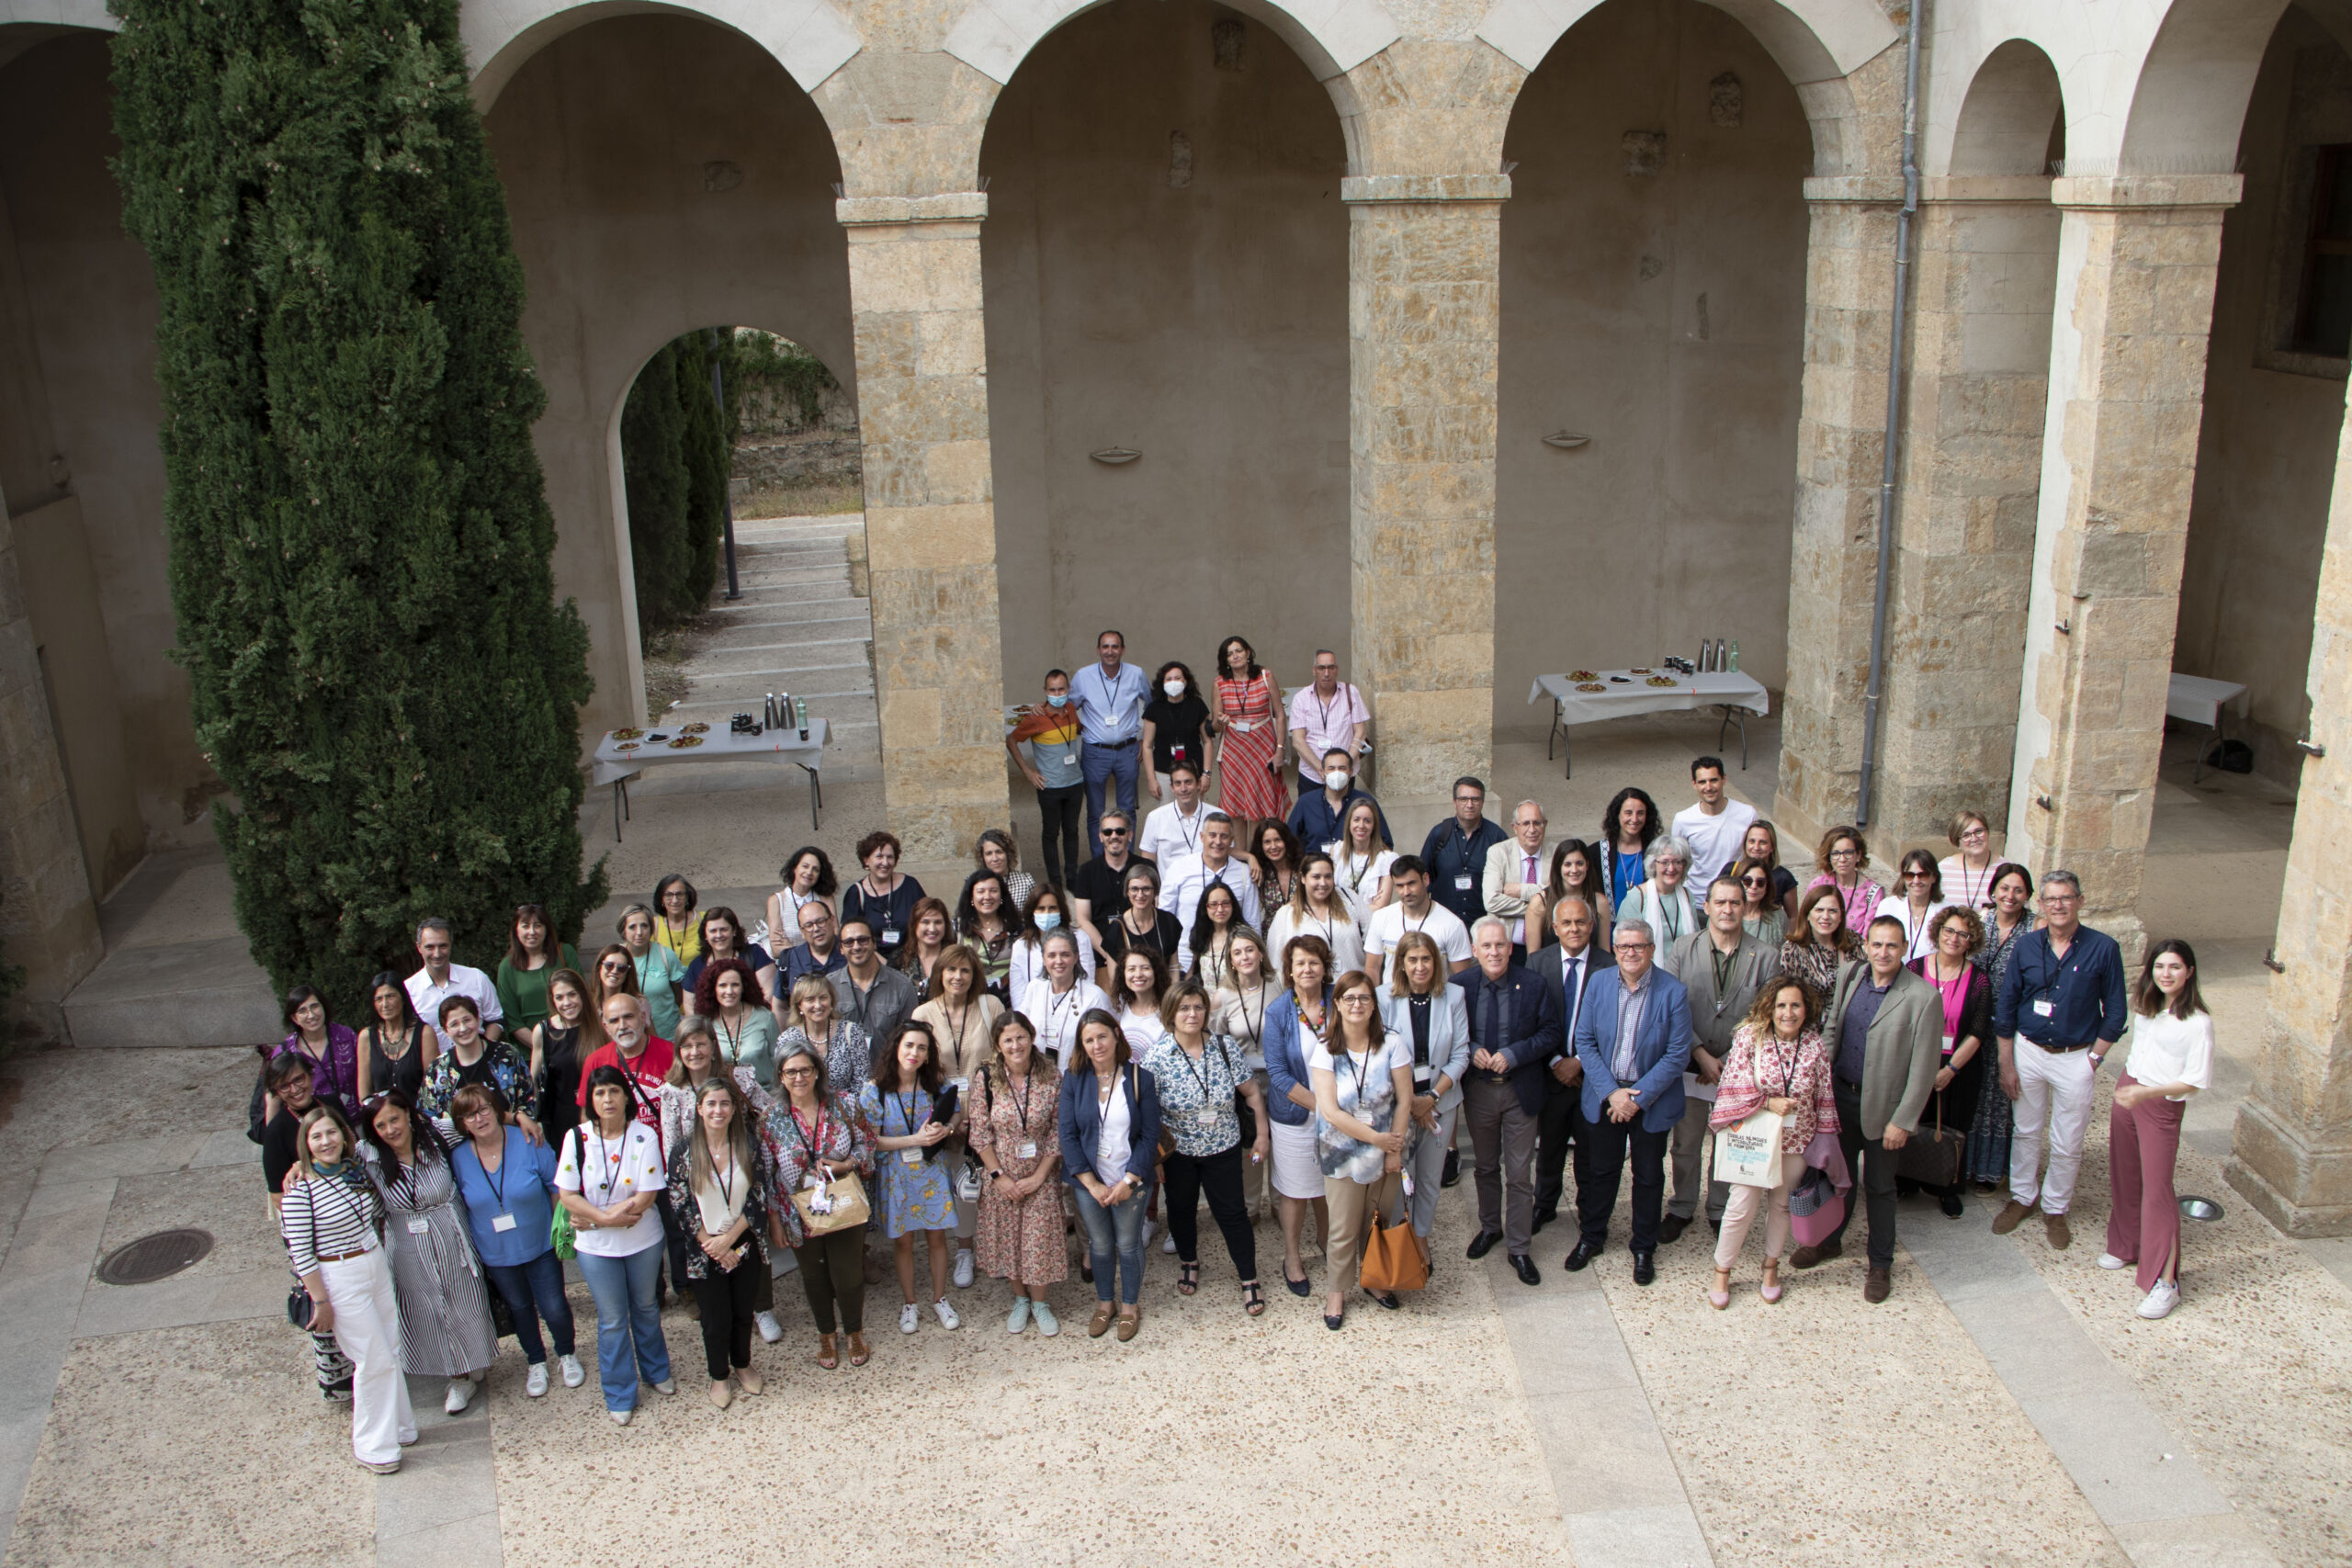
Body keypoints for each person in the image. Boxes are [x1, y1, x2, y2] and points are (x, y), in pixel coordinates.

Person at [1793, 917, 1942, 1302]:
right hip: (1841, 1098)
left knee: (1879, 1187)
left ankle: (1880, 1264)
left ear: (1905, 947)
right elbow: (1832, 1030)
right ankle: (1828, 1240)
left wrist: (1903, 1121)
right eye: (1876, 945)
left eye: (1892, 946)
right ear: (1867, 946)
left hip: (1884, 1110)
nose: (1883, 953)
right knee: (1835, 1177)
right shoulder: (1851, 974)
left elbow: (1925, 1068)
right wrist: (1818, 1078)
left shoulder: (1924, 997)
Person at [1991, 870, 2128, 1250]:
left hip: (2076, 1056)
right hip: (2030, 1049)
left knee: (2068, 1139)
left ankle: (2055, 1207)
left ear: (2080, 901)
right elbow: (2007, 1004)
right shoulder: (2027, 946)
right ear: (2042, 905)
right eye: (2051, 900)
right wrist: (2007, 1061)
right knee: (2026, 1130)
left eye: (2066, 898)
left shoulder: (2104, 948)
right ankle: (2022, 1197)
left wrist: (2095, 1060)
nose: (2059, 906)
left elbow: (2116, 1011)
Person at [281, 1106, 413, 1471]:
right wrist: (320, 1300)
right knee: (373, 1359)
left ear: (343, 1135)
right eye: (316, 1136)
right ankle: (372, 1445)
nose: (326, 1142)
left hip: (373, 1260)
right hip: (337, 1274)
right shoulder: (299, 1191)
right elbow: (301, 1253)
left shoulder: (354, 1171)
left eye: (331, 1133)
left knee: (392, 1346)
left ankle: (400, 1426)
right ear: (305, 1144)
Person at [1568, 919, 1692, 1285]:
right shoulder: (1599, 983)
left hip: (1650, 1100)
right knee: (1601, 1172)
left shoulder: (1674, 992)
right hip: (1608, 1095)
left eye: (1638, 946)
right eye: (1623, 947)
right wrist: (1613, 1093)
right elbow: (1585, 1042)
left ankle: (1643, 1247)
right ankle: (1592, 1236)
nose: (1631, 953)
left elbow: (1677, 1054)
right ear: (1615, 950)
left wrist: (1636, 1099)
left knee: (1649, 1176)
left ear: (1652, 950)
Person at [359, 1090, 497, 1415]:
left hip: (450, 1230)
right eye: (381, 1125)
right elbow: (329, 1157)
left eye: (395, 1119)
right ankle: (457, 1377)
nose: (391, 1129)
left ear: (407, 1114)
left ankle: (473, 1358)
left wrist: (518, 1118)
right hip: (406, 1240)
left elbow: (478, 1122)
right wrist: (300, 1166)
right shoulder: (367, 1155)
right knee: (428, 1309)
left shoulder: (436, 1134)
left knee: (465, 1299)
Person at [1706, 976, 1838, 1306]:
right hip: (1754, 1140)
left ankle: (1771, 1268)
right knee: (1741, 1205)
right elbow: (1731, 1085)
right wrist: (1767, 1103)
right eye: (1781, 1005)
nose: (1788, 1012)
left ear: (1806, 1009)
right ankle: (1722, 1271)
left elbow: (1824, 1097)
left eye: (1795, 1005)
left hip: (1796, 1142)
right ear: (1770, 1007)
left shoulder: (1814, 1045)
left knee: (1781, 1206)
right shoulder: (1752, 1037)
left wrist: (1824, 1145)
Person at [1660, 877, 1777, 1243]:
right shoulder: (1682, 948)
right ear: (1706, 906)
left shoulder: (1767, 955)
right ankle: (1682, 1205)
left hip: (1737, 1066)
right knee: (1686, 1141)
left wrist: (1726, 1058)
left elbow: (1764, 1014)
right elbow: (1672, 1005)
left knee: (1728, 1140)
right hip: (1690, 1063)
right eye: (1720, 902)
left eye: (1735, 903)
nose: (1727, 910)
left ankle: (1719, 1208)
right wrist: (1699, 1053)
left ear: (1745, 908)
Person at [556, 1065, 675, 1422]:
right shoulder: (576, 1138)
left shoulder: (643, 1135)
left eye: (613, 1091)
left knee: (646, 1308)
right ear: (591, 1100)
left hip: (643, 1239)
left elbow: (647, 1194)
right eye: (599, 1093)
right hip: (596, 1247)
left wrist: (595, 1216)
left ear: (626, 1096)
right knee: (611, 1319)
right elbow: (567, 1194)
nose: (607, 1099)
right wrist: (604, 1220)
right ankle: (620, 1391)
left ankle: (656, 1371)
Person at [448, 1085, 582, 1398]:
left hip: (539, 1244)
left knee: (554, 1306)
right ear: (462, 1124)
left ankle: (566, 1353)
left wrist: (560, 1232)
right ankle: (535, 1360)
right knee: (520, 1308)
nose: (479, 1118)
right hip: (495, 1252)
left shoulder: (528, 1140)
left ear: (497, 1109)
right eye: (469, 1115)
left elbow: (555, 1186)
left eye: (484, 1109)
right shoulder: (457, 1158)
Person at [1144, 979, 1269, 1314]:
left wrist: (1262, 1135)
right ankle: (1189, 1260)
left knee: (1233, 1214)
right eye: (1184, 1007)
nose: (1192, 1013)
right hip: (1179, 1153)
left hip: (1223, 1147)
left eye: (1198, 1007)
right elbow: (1148, 1114)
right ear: (1171, 1013)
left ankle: (1249, 1277)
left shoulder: (1224, 1048)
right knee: (1181, 1209)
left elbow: (1252, 1093)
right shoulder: (1157, 1058)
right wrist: (1155, 1159)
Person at [2103, 941, 2213, 1320]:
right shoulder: (2148, 1008)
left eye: (2175, 967)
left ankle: (2166, 1282)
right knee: (2125, 1174)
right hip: (2130, 1089)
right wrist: (2127, 1087)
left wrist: (2145, 1093)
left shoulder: (2198, 1022)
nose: (2166, 974)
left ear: (2190, 972)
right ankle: (2125, 1245)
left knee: (2158, 1191)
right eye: (2160, 966)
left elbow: (2194, 1082)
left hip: (2159, 1103)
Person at [1455, 917, 1561, 1286]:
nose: (1494, 952)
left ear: (1510, 947)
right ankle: (1490, 1228)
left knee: (1518, 1174)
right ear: (1474, 951)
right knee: (1484, 1166)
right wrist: (1471, 1050)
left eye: (1500, 945)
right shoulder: (1460, 986)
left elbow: (1550, 1031)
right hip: (1480, 1089)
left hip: (1520, 1089)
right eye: (1486, 946)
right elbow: (1450, 1033)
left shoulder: (1532, 984)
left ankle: (1519, 1247)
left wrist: (1515, 1053)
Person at [1310, 969, 1414, 1327]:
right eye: (1349, 998)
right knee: (1342, 1229)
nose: (1357, 1004)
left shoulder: (1393, 1044)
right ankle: (1336, 1293)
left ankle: (1375, 1280)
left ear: (1374, 1004)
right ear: (1336, 1004)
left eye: (1364, 998)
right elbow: (1331, 1112)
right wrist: (1378, 1140)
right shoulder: (1324, 1049)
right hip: (1341, 1154)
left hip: (1386, 1154)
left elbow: (1404, 1100)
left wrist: (1393, 1149)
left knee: (1377, 1222)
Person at [665, 1077, 776, 1406]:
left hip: (743, 1244)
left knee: (743, 1312)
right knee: (715, 1320)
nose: (718, 1110)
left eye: (725, 1104)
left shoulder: (748, 1145)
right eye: (711, 1104)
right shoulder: (683, 1151)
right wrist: (711, 1243)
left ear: (734, 1109)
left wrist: (729, 1240)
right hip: (705, 1250)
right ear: (699, 1109)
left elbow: (758, 1195)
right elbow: (679, 1203)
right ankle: (719, 1375)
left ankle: (742, 1363)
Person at [765, 1042, 876, 1370]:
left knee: (848, 1274)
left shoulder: (843, 1103)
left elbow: (866, 1141)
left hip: (842, 1203)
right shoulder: (771, 1118)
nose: (799, 1077)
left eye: (805, 1069)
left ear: (817, 1072)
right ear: (781, 1077)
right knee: (814, 1276)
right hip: (796, 1210)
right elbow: (766, 1172)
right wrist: (774, 1219)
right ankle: (826, 1334)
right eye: (791, 1071)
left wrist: (847, 1164)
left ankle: (854, 1330)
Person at [1057, 1010, 1161, 1341]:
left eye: (1102, 1036)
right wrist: (1091, 1184)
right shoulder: (1074, 1079)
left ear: (1117, 1035)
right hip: (1090, 1183)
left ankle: (1130, 1305)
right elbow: (1067, 1134)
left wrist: (1129, 1181)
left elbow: (1149, 1135)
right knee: (1100, 1246)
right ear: (1081, 1045)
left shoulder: (1139, 1078)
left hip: (1131, 1179)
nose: (1096, 1044)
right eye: (1088, 1040)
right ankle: (1106, 1303)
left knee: (1129, 1245)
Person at [261, 1057, 355, 1404]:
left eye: (299, 1080)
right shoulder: (277, 1130)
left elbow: (350, 1146)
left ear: (311, 1077)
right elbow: (278, 1197)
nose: (295, 1089)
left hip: (348, 1214)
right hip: (311, 1229)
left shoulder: (329, 1105)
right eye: (285, 1086)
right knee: (325, 1301)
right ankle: (339, 1382)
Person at [911, 944, 1004, 1290]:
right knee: (959, 1184)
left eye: (965, 971)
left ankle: (997, 1248)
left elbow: (1001, 1058)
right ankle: (965, 1249)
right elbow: (918, 1068)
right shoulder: (923, 1014)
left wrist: (980, 1113)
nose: (958, 977)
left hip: (990, 1108)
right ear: (940, 975)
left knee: (993, 1182)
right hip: (944, 1112)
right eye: (951, 970)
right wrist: (951, 1118)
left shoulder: (990, 1005)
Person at [861, 1023, 964, 1335]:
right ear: (896, 1047)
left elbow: (956, 1112)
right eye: (909, 1046)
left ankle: (939, 1298)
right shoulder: (875, 1089)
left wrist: (945, 1130)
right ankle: (910, 1303)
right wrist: (915, 1139)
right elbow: (872, 1141)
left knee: (937, 1237)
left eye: (921, 1048)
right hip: (897, 1175)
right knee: (903, 1242)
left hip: (932, 1171)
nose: (914, 1053)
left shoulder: (936, 1083)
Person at [969, 1012, 1068, 1335]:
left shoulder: (1052, 1076)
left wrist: (1040, 1176)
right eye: (1008, 1040)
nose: (1016, 1045)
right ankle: (1020, 1299)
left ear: (1032, 1035)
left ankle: (1040, 1302)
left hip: (1041, 1175)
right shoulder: (985, 1078)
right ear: (998, 1044)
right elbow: (980, 1133)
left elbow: (1058, 1130)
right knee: (1008, 1239)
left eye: (1021, 1037)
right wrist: (1000, 1177)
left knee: (1039, 1239)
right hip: (1002, 1177)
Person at [1379, 931, 1470, 1253]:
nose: (1420, 966)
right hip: (1397, 1107)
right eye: (1413, 960)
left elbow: (1461, 1054)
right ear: (1401, 964)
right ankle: (1396, 1241)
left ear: (1437, 961)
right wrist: (1410, 1103)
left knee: (1430, 1179)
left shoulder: (1454, 996)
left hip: (1439, 1104)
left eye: (1427, 959)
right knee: (1399, 1179)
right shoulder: (1383, 998)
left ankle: (1420, 1239)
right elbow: (1380, 1058)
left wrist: (1430, 1099)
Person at [1262, 934, 1336, 1297]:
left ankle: (1327, 1243)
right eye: (1300, 963)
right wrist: (1323, 1109)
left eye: (1314, 962)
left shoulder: (1340, 1000)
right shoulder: (1278, 1012)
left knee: (1329, 1186)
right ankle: (1292, 1256)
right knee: (1295, 1191)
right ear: (1289, 972)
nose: (1307, 969)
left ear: (1325, 966)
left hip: (1341, 1114)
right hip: (1296, 1117)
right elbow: (1277, 1074)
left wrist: (1339, 1110)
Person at [1907, 906, 1992, 1217]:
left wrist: (1950, 1070)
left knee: (1952, 1127)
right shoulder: (1915, 968)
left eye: (1963, 934)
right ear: (1938, 932)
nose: (1954, 938)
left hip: (1959, 1065)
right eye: (1949, 931)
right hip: (1916, 1058)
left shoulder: (1979, 980)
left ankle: (1947, 1187)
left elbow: (1978, 1031)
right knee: (1914, 1121)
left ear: (1971, 941)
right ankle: (1908, 1178)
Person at [1532, 896, 1609, 1234]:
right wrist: (1555, 1062)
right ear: (1555, 928)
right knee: (1549, 1147)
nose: (1574, 929)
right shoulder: (1537, 963)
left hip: (1591, 1078)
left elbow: (1614, 1027)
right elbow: (1528, 1020)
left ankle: (1589, 1213)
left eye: (1581, 922)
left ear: (1592, 926)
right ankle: (1544, 1206)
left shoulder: (1609, 966)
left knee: (1590, 1152)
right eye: (1567, 923)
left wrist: (1578, 1062)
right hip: (1549, 1075)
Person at [1966, 863, 2036, 1189]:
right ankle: (1962, 1165)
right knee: (1974, 1092)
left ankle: (1991, 1170)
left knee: (2001, 1096)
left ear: (2028, 895)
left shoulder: (2036, 929)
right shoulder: (1979, 921)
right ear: (1993, 891)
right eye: (2005, 888)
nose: (2010, 896)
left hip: (2012, 1025)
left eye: (2018, 890)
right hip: (1974, 1019)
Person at [1211, 927, 1280, 1217]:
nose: (1245, 956)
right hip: (1242, 1082)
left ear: (1261, 952)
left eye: (1250, 949)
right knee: (1250, 1146)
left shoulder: (1278, 985)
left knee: (1280, 1145)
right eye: (1237, 952)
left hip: (1278, 1076)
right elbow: (1215, 1042)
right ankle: (1251, 1206)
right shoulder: (1222, 995)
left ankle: (1280, 1203)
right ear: (1231, 959)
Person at [1006, 669, 1088, 892]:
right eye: (1052, 690)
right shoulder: (1035, 717)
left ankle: (1071, 879)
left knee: (1072, 831)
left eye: (1061, 689)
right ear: (1045, 691)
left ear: (1068, 690)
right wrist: (1028, 772)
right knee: (1051, 834)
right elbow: (1012, 741)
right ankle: (1055, 883)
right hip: (1050, 786)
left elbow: (1080, 730)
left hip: (1074, 783)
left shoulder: (1071, 710)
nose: (1057, 693)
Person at [418, 996, 540, 1140]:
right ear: (445, 1031)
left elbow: (529, 1100)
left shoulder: (506, 1055)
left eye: (467, 1020)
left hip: (513, 1140)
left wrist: (517, 1118)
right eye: (454, 1024)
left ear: (478, 1019)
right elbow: (427, 1118)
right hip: (459, 1152)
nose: (463, 1028)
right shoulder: (438, 1070)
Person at [1073, 628, 1148, 855]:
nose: (1110, 651)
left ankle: (1127, 859)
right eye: (1105, 646)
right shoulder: (1083, 676)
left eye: (1115, 646)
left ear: (1122, 650)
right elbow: (1068, 707)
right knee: (1096, 811)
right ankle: (1100, 861)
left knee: (1127, 809)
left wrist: (1145, 739)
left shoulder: (1136, 674)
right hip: (1095, 752)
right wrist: (1080, 728)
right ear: (1098, 650)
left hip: (1128, 750)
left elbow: (1152, 705)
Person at [574, 992, 676, 1145]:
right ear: (606, 1027)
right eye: (614, 1020)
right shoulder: (595, 1061)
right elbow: (587, 1116)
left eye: (628, 1017)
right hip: (617, 1159)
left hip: (665, 1156)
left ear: (643, 1017)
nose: (622, 1025)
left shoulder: (671, 1054)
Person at [1210, 635, 1287, 823]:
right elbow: (1215, 726)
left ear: (1248, 653)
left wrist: (1279, 750)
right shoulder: (1220, 683)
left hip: (1263, 748)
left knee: (1262, 806)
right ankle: (1238, 852)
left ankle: (1257, 851)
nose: (1235, 656)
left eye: (1238, 651)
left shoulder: (1265, 676)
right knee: (1235, 809)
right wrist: (1221, 721)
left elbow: (1280, 715)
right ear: (1225, 660)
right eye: (1230, 654)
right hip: (1233, 752)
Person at [1363, 857, 1473, 987]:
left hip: (1436, 1002)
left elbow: (1462, 978)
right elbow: (1372, 968)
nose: (1406, 892)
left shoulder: (1452, 925)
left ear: (1425, 879)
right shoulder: (1381, 918)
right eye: (1400, 886)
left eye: (1411, 884)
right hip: (1392, 1002)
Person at [1420, 776, 1509, 931]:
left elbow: (1506, 883)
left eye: (1475, 799)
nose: (1469, 805)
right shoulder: (1439, 834)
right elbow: (1423, 877)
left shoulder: (1497, 837)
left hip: (1483, 926)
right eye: (1463, 799)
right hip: (1443, 925)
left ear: (1482, 802)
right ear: (1455, 802)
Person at [1158, 811, 1264, 938]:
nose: (1218, 841)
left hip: (1230, 953)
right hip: (1186, 952)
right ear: (1202, 837)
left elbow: (1252, 922)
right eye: (1212, 835)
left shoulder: (1244, 873)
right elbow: (1165, 917)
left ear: (1231, 840)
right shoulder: (1179, 869)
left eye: (1224, 836)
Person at [406, 917, 503, 1053]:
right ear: (419, 947)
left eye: (443, 946)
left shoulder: (476, 978)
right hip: (434, 1069)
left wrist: (483, 1054)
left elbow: (495, 1019)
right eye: (430, 947)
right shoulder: (409, 990)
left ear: (451, 944)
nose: (437, 953)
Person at [1017, 929, 1111, 1069]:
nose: (1058, 961)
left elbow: (1106, 1045)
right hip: (1039, 1078)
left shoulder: (1094, 997)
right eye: (1052, 955)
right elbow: (1021, 1031)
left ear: (1076, 957)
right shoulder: (1035, 988)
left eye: (1065, 955)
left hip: (1078, 1078)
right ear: (1043, 959)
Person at [1285, 649, 1370, 800]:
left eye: (1331, 668)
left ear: (1337, 670)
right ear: (1314, 670)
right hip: (1311, 775)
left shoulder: (1351, 693)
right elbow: (1298, 741)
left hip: (1345, 776)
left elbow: (1360, 733)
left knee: (1344, 819)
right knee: (1311, 821)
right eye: (1321, 668)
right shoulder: (1301, 698)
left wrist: (1345, 766)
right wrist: (1321, 768)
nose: (1326, 673)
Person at [1269, 852, 1367, 981]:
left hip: (1352, 991)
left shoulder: (1350, 899)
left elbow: (1372, 941)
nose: (1323, 883)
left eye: (1328, 876)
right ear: (1303, 878)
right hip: (1311, 994)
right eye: (1316, 877)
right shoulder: (1286, 914)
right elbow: (1276, 964)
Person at [831, 917, 920, 1056]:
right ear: (841, 949)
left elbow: (911, 1038)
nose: (856, 947)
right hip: (843, 1075)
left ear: (874, 944)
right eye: (849, 942)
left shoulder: (902, 986)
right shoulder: (829, 987)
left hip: (887, 1074)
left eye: (863, 940)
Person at [528, 969, 592, 1153]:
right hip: (560, 1117)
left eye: (572, 994)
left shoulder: (599, 1025)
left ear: (582, 993)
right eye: (559, 997)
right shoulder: (543, 1031)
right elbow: (533, 1079)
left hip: (597, 1112)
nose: (567, 1003)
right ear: (552, 1000)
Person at [277, 985, 361, 1121]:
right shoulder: (287, 1051)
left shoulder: (346, 1036)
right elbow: (274, 1097)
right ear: (294, 1018)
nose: (311, 1015)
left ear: (323, 1007)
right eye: (302, 1011)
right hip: (312, 1129)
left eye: (314, 1006)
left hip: (355, 1121)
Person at [1671, 755, 1758, 888]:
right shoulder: (1683, 820)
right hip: (1697, 898)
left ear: (1724, 779)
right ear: (1694, 784)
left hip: (1736, 896)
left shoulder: (1747, 815)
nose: (1709, 787)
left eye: (1714, 780)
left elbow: (1756, 858)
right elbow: (1676, 863)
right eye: (1702, 782)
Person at [495, 903, 580, 1039]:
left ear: (547, 929)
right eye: (525, 926)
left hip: (573, 1041)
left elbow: (582, 997)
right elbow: (513, 1022)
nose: (532, 931)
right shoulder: (507, 967)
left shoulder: (565, 953)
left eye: (538, 925)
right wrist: (544, 1047)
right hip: (530, 1050)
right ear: (516, 930)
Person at [778, 973, 873, 1093]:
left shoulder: (852, 1032)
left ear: (832, 1001)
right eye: (810, 999)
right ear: (799, 1006)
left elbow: (863, 1084)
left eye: (823, 998)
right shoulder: (787, 1040)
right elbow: (784, 1086)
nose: (818, 1005)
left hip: (847, 1109)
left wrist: (844, 1108)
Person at [1482, 800, 1551, 964]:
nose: (1532, 829)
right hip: (1507, 951)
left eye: (1537, 823)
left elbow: (1560, 897)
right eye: (1526, 823)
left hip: (1547, 948)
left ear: (1545, 824)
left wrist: (1522, 891)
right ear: (1515, 827)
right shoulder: (1498, 853)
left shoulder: (1557, 853)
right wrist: (1538, 909)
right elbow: (1492, 902)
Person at [842, 831, 925, 964]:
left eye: (890, 857)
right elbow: (850, 936)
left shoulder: (911, 886)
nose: (885, 862)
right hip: (872, 963)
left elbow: (926, 921)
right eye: (879, 856)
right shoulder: (855, 894)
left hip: (911, 961)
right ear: (866, 860)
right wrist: (886, 965)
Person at [697, 957, 781, 1089]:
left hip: (767, 1098)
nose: (729, 991)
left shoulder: (765, 1018)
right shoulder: (706, 1023)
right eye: (722, 985)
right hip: (725, 1101)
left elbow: (780, 1064)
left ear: (743, 987)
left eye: (735, 985)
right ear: (713, 989)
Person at [1286, 747, 1389, 853]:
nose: (1337, 773)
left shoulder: (1367, 802)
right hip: (1314, 866)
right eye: (1331, 768)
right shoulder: (1306, 802)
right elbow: (1289, 841)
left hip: (1354, 867)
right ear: (1322, 772)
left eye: (1342, 768)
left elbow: (1385, 843)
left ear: (1350, 773)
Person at [1069, 808, 1141, 953]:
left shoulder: (1145, 869)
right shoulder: (1086, 872)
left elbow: (1154, 913)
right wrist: (1108, 953)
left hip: (1140, 951)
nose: (1114, 836)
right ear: (1101, 836)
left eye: (1120, 831)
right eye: (1108, 832)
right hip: (1100, 954)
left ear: (1130, 835)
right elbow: (1083, 920)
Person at [356, 972, 434, 1105]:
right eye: (378, 999)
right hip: (381, 1120)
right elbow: (364, 1094)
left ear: (403, 998)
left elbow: (433, 1086)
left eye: (390, 996)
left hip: (419, 1117)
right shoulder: (366, 1037)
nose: (385, 1004)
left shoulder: (424, 1033)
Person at [1142, 660, 1214, 801]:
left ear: (1186, 681)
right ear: (1162, 683)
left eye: (1177, 678)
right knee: (1167, 817)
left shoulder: (1197, 705)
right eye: (1168, 679)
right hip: (1163, 773)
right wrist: (1151, 779)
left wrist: (1206, 774)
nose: (1173, 682)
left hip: (1193, 772)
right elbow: (1147, 746)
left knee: (1193, 816)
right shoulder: (1154, 709)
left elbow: (1207, 742)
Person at [1011, 885, 1096, 998]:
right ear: (1032, 913)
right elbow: (1018, 993)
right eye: (1041, 909)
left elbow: (1087, 982)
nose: (1047, 913)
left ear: (1061, 910)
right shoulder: (1021, 946)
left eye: (1052, 908)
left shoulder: (1080, 939)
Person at [1100, 862, 1183, 978]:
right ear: (1127, 892)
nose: (1140, 895)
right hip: (1131, 994)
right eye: (1134, 889)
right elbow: (1114, 980)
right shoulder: (1116, 929)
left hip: (1165, 993)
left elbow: (1173, 967)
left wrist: (1171, 996)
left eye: (1146, 889)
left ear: (1155, 891)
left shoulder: (1169, 922)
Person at [684, 906, 775, 1011]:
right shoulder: (697, 965)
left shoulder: (754, 954)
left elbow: (768, 994)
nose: (718, 935)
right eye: (713, 931)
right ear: (705, 935)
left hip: (752, 1023)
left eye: (724, 929)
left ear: (734, 931)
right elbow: (689, 1005)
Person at [618, 903, 687, 1040]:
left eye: (644, 925)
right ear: (623, 930)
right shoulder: (616, 958)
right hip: (630, 1036)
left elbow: (678, 994)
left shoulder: (666, 955)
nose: (639, 932)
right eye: (632, 927)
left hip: (667, 1036)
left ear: (651, 929)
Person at [1873, 850, 1955, 964]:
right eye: (1910, 875)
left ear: (1934, 878)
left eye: (1923, 875)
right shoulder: (1887, 906)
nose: (1916, 881)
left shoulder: (1947, 911)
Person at [1619, 835, 1700, 948]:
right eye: (1665, 862)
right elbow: (1625, 943)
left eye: (1677, 862)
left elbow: (1696, 940)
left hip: (1685, 964)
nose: (1671, 868)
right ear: (1653, 864)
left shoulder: (1687, 896)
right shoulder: (1637, 898)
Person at [1778, 884, 1858, 998]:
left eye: (1832, 911)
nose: (1825, 916)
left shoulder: (1854, 941)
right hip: (1814, 1014)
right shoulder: (1792, 950)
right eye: (1819, 910)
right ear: (1808, 914)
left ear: (1841, 915)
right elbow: (1789, 996)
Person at [1808, 825, 1883, 941]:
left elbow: (1870, 937)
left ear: (1858, 855)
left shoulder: (1872, 892)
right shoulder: (1818, 884)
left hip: (1854, 954)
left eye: (1848, 853)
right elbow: (1806, 922)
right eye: (1835, 853)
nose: (1842, 859)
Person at [1138, 759, 1217, 864]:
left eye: (1188, 782)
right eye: (1178, 783)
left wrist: (1247, 857)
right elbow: (1147, 864)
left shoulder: (1217, 816)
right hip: (1170, 881)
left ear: (1198, 784)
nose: (1183, 788)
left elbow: (1227, 854)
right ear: (1172, 788)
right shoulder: (1155, 818)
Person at [764, 846, 839, 956]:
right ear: (795, 868)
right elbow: (776, 950)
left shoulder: (825, 898)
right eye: (805, 866)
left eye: (815, 869)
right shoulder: (777, 901)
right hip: (791, 968)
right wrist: (817, 950)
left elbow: (835, 938)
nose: (809, 872)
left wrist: (790, 948)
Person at [1539, 840, 1611, 950]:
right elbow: (1533, 958)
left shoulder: (1600, 902)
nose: (1574, 870)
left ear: (1587, 865)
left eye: (1580, 864)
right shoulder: (1541, 902)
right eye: (1567, 864)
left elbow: (1605, 951)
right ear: (1558, 867)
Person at [955, 872, 1019, 997]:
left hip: (1011, 1001)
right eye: (981, 891)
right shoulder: (958, 928)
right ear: (971, 897)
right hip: (970, 1000)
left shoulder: (1016, 928)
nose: (987, 896)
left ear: (1001, 895)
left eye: (993, 891)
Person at [1597, 786, 1661, 908]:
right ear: (1617, 814)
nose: (1635, 819)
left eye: (1640, 813)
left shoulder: (1657, 850)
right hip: (1609, 926)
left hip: (1648, 924)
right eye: (1628, 813)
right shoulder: (1597, 852)